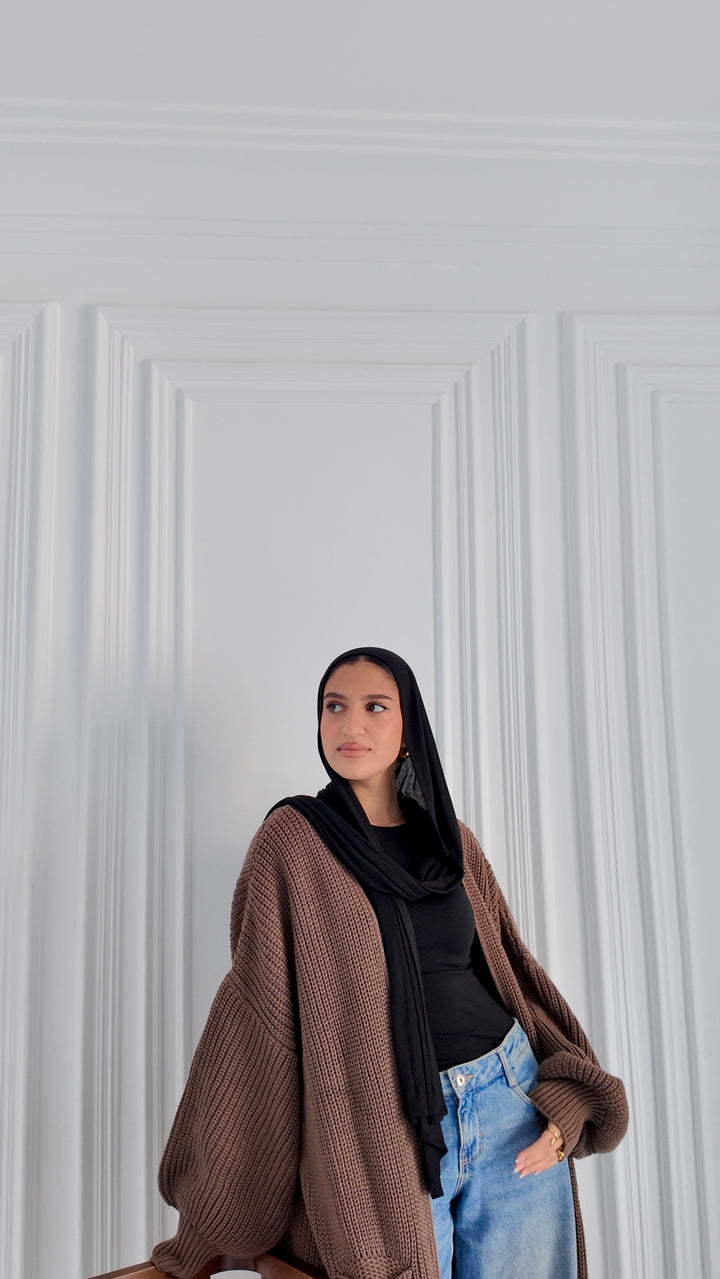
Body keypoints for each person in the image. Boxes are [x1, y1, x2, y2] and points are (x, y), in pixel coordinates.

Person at [151, 646, 628, 1279]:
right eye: (334, 707)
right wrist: (212, 1217)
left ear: (408, 731)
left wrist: (563, 1108)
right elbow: (257, 1016)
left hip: (507, 1100)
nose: (351, 725)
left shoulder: (452, 842)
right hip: (386, 1127)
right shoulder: (292, 841)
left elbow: (511, 974)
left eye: (375, 707)